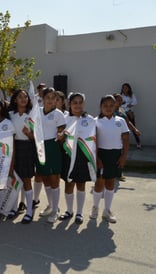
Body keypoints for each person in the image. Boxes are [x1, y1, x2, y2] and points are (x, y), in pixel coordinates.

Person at [91, 95, 129, 223]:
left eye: (111, 105)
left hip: (115, 155)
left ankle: (107, 211)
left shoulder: (120, 121)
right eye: (105, 105)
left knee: (110, 183)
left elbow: (125, 139)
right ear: (100, 107)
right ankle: (95, 207)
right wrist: (97, 158)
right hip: (101, 154)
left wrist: (123, 156)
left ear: (115, 106)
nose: (108, 108)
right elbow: (93, 142)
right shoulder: (95, 121)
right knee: (99, 183)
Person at [59, 92, 96, 225]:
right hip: (68, 155)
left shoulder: (90, 119)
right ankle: (69, 211)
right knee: (69, 184)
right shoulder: (64, 118)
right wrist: (60, 137)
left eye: (80, 102)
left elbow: (94, 139)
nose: (78, 105)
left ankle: (79, 213)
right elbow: (60, 137)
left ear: (84, 104)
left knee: (81, 184)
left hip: (83, 156)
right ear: (69, 104)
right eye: (75, 102)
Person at [36, 88, 66, 223]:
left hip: (53, 148)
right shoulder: (37, 112)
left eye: (52, 98)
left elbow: (62, 131)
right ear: (42, 98)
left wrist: (61, 135)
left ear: (56, 100)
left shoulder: (59, 114)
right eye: (47, 97)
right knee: (45, 178)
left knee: (54, 179)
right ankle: (51, 205)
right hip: (40, 147)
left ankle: (55, 210)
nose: (49, 100)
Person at [8, 90, 36, 224]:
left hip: (27, 147)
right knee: (14, 178)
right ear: (15, 100)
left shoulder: (32, 114)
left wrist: (29, 135)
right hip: (13, 148)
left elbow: (37, 137)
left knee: (26, 180)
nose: (23, 99)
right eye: (20, 97)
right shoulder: (10, 115)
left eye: (25, 96)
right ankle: (13, 208)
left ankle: (29, 211)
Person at [120, 83, 141, 149]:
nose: (125, 89)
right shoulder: (120, 96)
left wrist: (126, 105)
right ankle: (122, 144)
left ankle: (138, 143)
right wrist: (128, 105)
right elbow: (120, 105)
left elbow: (135, 102)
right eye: (123, 88)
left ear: (129, 88)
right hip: (122, 114)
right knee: (122, 129)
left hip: (130, 113)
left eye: (126, 87)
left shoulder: (132, 95)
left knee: (133, 128)